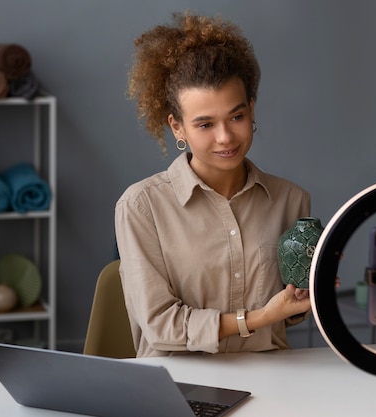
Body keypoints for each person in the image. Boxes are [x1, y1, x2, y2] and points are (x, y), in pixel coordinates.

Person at [115, 11, 313, 357]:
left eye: (237, 116)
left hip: (275, 380)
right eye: (205, 125)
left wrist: (309, 296)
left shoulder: (290, 200)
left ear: (252, 109)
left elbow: (289, 316)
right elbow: (161, 328)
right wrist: (259, 317)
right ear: (177, 127)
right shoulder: (141, 207)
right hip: (176, 387)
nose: (226, 137)